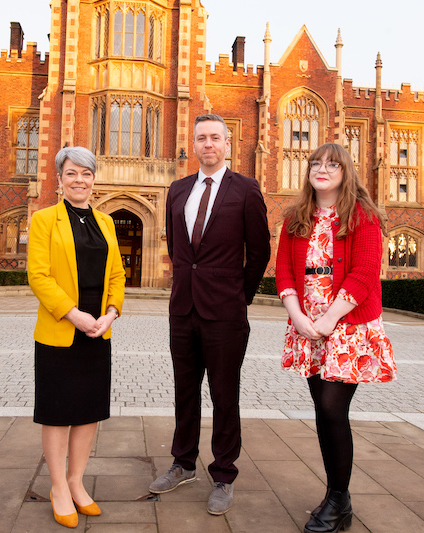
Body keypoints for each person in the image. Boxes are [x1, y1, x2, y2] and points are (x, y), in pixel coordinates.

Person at [149, 114, 271, 515]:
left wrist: (240, 296)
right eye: (201, 138)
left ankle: (223, 473)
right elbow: (180, 249)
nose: (207, 144)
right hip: (183, 308)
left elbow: (259, 252)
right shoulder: (178, 189)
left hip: (225, 312)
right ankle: (183, 463)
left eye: (215, 138)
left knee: (224, 393)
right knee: (185, 392)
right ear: (195, 143)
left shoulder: (246, 190)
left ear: (227, 143)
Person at [276, 143, 397, 533]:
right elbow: (284, 274)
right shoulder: (296, 217)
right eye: (315, 163)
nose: (321, 169)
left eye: (332, 164)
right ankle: (336, 498)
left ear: (346, 172)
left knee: (331, 409)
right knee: (324, 413)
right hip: (307, 328)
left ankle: (339, 499)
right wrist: (298, 317)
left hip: (346, 328)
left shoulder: (361, 216)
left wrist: (328, 319)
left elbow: (363, 273)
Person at [27, 146, 125, 529]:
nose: (79, 180)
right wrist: (74, 314)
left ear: (94, 179)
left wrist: (111, 313)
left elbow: (116, 275)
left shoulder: (106, 222)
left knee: (88, 411)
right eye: (71, 173)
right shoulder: (44, 220)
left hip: (98, 332)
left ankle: (76, 481)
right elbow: (39, 276)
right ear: (60, 178)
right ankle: (57, 487)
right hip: (60, 330)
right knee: (56, 412)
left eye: (86, 173)